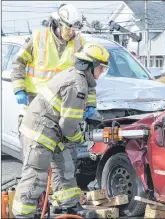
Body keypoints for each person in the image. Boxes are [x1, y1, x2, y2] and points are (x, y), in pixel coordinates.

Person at [12, 42, 110, 217]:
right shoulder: (77, 85)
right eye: (101, 68)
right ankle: (23, 214)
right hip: (39, 133)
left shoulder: (79, 77)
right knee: (36, 175)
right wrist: (80, 138)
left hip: (53, 131)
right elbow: (68, 126)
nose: (102, 72)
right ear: (90, 65)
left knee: (66, 166)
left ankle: (69, 205)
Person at [10, 4, 97, 128]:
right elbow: (18, 62)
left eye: (75, 30)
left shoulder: (80, 43)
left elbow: (88, 76)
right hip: (35, 99)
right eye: (68, 28)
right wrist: (19, 89)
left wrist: (91, 102)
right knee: (30, 138)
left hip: (62, 103)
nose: (72, 33)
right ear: (59, 23)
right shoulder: (38, 37)